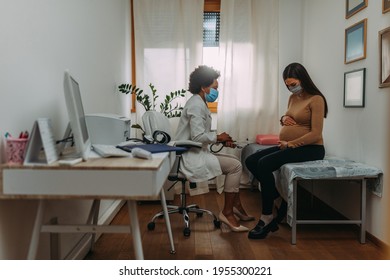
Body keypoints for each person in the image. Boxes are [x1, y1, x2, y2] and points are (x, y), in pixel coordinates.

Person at [245, 62, 328, 239]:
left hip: (311, 149)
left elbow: (315, 134)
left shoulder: (316, 99)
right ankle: (278, 198)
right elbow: (290, 117)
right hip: (288, 145)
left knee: (264, 164)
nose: (291, 88)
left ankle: (267, 217)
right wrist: (283, 119)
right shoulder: (293, 98)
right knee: (251, 161)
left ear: (303, 79)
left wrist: (290, 144)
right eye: (288, 85)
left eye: (293, 84)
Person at [175, 65, 253, 232]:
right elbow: (197, 137)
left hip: (195, 152)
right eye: (215, 88)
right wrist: (218, 137)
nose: (217, 91)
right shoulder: (196, 105)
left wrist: (222, 140)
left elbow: (199, 134)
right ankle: (227, 212)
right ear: (204, 87)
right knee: (236, 166)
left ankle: (236, 206)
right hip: (189, 157)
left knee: (233, 161)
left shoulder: (199, 102)